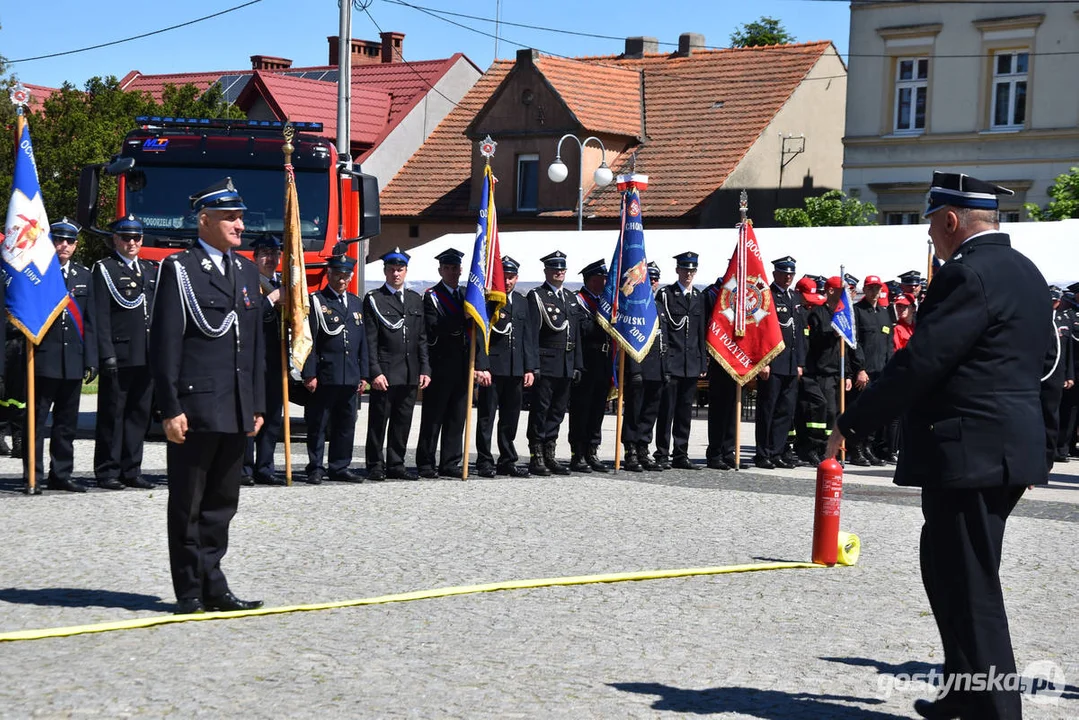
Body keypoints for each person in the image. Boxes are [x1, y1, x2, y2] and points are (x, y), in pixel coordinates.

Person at [827, 172, 1054, 720]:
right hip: (997, 449)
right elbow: (1046, 359)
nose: (930, 235)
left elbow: (921, 362)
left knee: (972, 584)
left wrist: (852, 424)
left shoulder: (965, 274)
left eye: (932, 224)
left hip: (968, 452)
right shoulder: (1026, 271)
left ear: (951, 220)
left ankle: (998, 711)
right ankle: (965, 689)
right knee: (946, 566)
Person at [151, 177, 265, 614]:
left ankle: (214, 582)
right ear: (205, 220)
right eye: (230, 217)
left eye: (240, 216)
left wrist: (256, 404)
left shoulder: (247, 270)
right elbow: (165, 345)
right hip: (196, 406)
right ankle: (190, 590)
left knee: (222, 504)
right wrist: (170, 408)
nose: (240, 224)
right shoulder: (179, 269)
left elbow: (253, 346)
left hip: (235, 405)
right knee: (189, 501)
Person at [23, 218, 98, 494]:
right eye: (58, 239)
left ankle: (62, 473)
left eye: (69, 241)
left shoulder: (84, 276)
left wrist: (91, 358)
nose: (63, 245)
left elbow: (90, 322)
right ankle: (34, 474)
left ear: (76, 246)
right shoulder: (36, 275)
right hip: (44, 358)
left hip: (73, 360)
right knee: (37, 420)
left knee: (67, 423)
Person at [92, 214, 156, 490]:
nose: (132, 242)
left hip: (146, 354)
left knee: (138, 415)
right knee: (112, 415)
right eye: (126, 237)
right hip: (119, 354)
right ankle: (107, 471)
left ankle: (132, 469)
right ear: (115, 240)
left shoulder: (150, 270)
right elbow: (99, 316)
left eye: (136, 238)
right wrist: (105, 354)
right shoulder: (104, 269)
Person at [364, 248, 430, 481]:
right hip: (386, 371)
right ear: (385, 271)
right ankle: (374, 463)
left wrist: (425, 369)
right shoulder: (375, 299)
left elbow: (421, 337)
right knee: (378, 421)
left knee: (403, 421)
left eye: (399, 269)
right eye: (391, 269)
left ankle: (396, 462)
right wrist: (375, 372)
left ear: (406, 271)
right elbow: (370, 340)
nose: (395, 274)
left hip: (410, 371)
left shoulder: (414, 299)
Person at [302, 255, 369, 484]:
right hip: (325, 374)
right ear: (329, 275)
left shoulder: (356, 303)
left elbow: (362, 343)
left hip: (350, 375)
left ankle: (340, 466)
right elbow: (309, 341)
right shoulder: (317, 302)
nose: (342, 279)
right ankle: (316, 467)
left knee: (345, 423)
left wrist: (364, 374)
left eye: (346, 275)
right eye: (338, 275)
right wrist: (309, 373)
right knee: (318, 423)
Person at [474, 256, 535, 478]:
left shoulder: (521, 302)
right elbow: (481, 336)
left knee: (511, 417)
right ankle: (484, 460)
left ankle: (507, 459)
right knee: (487, 417)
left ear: (517, 278)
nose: (507, 281)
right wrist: (482, 366)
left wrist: (530, 368)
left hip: (516, 369)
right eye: (504, 277)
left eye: (511, 277)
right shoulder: (488, 300)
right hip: (493, 368)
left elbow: (527, 337)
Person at [526, 251, 582, 476]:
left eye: (562, 269)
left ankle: (550, 452)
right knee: (541, 410)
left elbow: (575, 334)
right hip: (546, 362)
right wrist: (533, 365)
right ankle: (536, 453)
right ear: (546, 271)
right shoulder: (537, 296)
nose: (559, 272)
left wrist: (577, 365)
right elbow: (530, 334)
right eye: (554, 269)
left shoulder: (570, 297)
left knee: (558, 411)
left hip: (566, 364)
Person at [417, 248, 470, 478]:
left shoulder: (468, 295)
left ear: (460, 270)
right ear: (440, 270)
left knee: (457, 417)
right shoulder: (432, 296)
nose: (451, 272)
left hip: (462, 365)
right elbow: (435, 327)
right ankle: (426, 462)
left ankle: (450, 461)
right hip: (439, 364)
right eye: (446, 268)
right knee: (433, 417)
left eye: (454, 268)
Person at [655, 251, 706, 470]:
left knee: (685, 411)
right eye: (685, 269)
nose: (688, 274)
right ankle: (662, 453)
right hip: (672, 362)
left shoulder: (698, 297)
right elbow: (663, 331)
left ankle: (681, 453)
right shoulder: (666, 295)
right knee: (667, 411)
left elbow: (701, 332)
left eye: (692, 270)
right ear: (677, 270)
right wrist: (664, 361)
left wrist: (703, 363)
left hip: (691, 363)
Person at [242, 235, 287, 486]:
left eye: (275, 254)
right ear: (255, 257)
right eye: (265, 254)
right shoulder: (249, 283)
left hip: (275, 361)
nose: (271, 259)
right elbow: (250, 316)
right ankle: (245, 468)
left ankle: (265, 466)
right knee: (252, 414)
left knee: (272, 416)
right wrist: (271, 300)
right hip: (252, 361)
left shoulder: (282, 283)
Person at [753, 256, 805, 470]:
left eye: (791, 274)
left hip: (791, 364)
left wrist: (800, 362)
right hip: (773, 364)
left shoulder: (795, 297)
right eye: (784, 273)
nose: (788, 277)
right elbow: (760, 331)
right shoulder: (767, 296)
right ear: (775, 274)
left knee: (785, 411)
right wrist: (763, 362)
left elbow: (799, 334)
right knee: (768, 409)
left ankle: (777, 451)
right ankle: (763, 452)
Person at [799, 276, 852, 465]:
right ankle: (813, 447)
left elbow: (846, 349)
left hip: (835, 372)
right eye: (840, 291)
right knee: (820, 412)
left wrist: (848, 374)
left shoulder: (842, 314)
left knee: (832, 412)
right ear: (830, 291)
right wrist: (832, 333)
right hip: (819, 370)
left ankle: (829, 448)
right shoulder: (817, 313)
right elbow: (814, 341)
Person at [622, 262, 668, 472]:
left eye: (656, 279)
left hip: (657, 367)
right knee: (634, 411)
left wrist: (665, 368)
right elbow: (629, 339)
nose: (653, 283)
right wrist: (634, 369)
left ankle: (643, 447)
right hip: (639, 367)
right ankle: (630, 450)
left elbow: (664, 340)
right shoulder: (635, 306)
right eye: (650, 279)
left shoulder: (659, 306)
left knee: (650, 411)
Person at [568, 259, 612, 473]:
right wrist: (602, 319)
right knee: (581, 410)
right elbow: (583, 330)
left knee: (597, 410)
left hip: (603, 362)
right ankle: (578, 452)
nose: (606, 282)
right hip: (586, 361)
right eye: (602, 278)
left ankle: (592, 450)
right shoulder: (579, 300)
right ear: (592, 279)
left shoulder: (605, 302)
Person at [847, 275, 892, 467]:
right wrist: (860, 368)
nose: (875, 292)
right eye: (871, 288)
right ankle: (856, 449)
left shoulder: (884, 312)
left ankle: (868, 448)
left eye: (877, 288)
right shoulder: (857, 311)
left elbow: (888, 342)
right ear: (864, 290)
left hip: (881, 371)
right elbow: (854, 342)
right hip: (865, 371)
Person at [702, 273, 745, 470]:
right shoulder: (712, 294)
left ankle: (729, 451)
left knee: (734, 407)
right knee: (719, 409)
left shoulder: (743, 295)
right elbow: (704, 328)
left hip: (738, 359)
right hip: (719, 358)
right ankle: (715, 452)